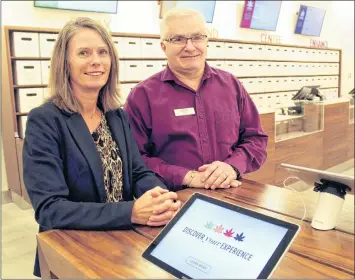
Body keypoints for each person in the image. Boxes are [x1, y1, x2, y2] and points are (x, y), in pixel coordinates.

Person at [23, 17, 181, 277]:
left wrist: (159, 196)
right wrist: (130, 212)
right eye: (83, 53)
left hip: (119, 244)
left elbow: (138, 172)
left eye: (102, 52)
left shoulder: (116, 115)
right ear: (65, 63)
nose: (96, 61)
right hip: (72, 251)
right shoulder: (45, 120)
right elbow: (50, 209)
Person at [124, 7, 268, 191]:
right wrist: (187, 177)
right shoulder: (142, 96)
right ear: (163, 46)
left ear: (207, 41)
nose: (190, 47)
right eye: (178, 39)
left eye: (197, 37)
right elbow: (134, 159)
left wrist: (231, 167)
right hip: (172, 200)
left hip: (231, 193)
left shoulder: (232, 85)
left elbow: (256, 138)